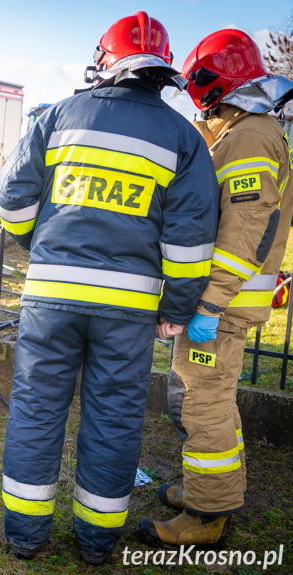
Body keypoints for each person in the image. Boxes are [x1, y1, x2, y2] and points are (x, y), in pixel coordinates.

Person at [0, 12, 219, 565]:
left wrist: (38, 246)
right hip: (129, 310)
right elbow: (190, 241)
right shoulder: (184, 139)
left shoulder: (58, 116)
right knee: (115, 416)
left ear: (106, 61)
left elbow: (13, 201)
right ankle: (97, 542)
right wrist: (177, 307)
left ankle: (25, 534)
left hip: (50, 298)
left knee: (36, 408)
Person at [137, 29, 293, 548]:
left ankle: (207, 514)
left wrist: (208, 302)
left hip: (221, 307)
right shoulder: (243, 129)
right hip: (223, 303)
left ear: (212, 81)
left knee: (201, 402)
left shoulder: (251, 136)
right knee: (212, 400)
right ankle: (210, 489)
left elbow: (243, 232)